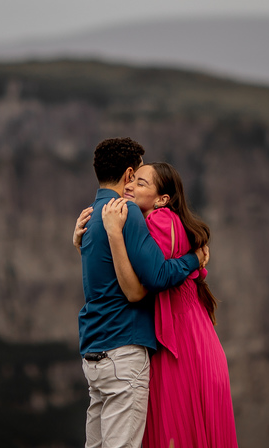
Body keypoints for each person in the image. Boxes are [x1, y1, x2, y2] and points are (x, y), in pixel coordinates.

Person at [78, 162, 239, 448]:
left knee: (176, 430)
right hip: (186, 334)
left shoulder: (159, 221)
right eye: (132, 180)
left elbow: (156, 276)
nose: (130, 186)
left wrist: (110, 234)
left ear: (162, 199)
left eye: (141, 183)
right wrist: (83, 238)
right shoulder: (156, 220)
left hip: (181, 341)